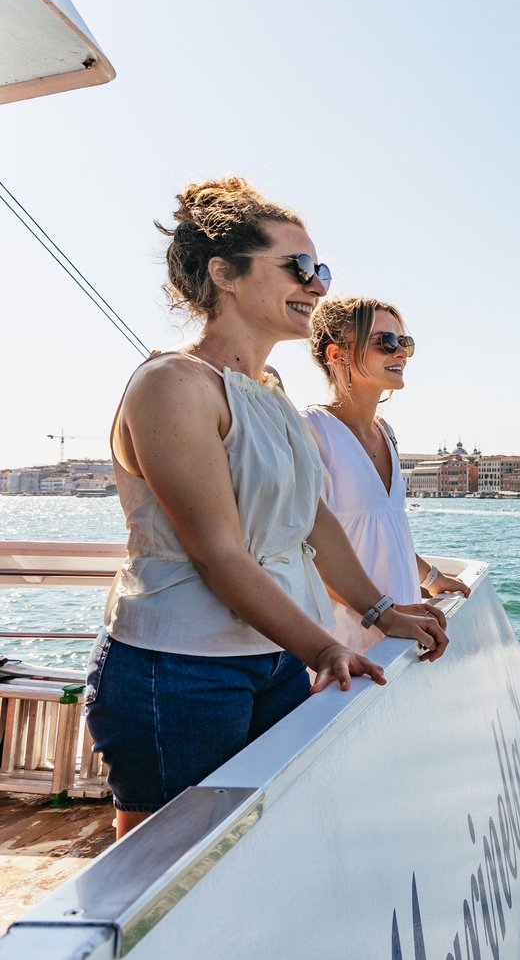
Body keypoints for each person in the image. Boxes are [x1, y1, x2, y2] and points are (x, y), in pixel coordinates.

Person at [86, 178, 449, 839]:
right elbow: (219, 554)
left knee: (266, 845)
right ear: (223, 273)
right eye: (298, 267)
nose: (317, 286)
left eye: (322, 271)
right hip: (178, 670)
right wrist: (323, 649)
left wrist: (380, 612)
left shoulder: (270, 390)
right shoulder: (173, 385)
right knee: (168, 871)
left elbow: (312, 522)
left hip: (275, 657)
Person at [302, 297, 469, 654]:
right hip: (344, 642)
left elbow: (384, 531)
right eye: (386, 343)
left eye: (404, 343)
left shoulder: (386, 432)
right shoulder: (309, 431)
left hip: (401, 630)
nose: (401, 353)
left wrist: (433, 579)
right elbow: (304, 553)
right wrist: (383, 612)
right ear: (337, 355)